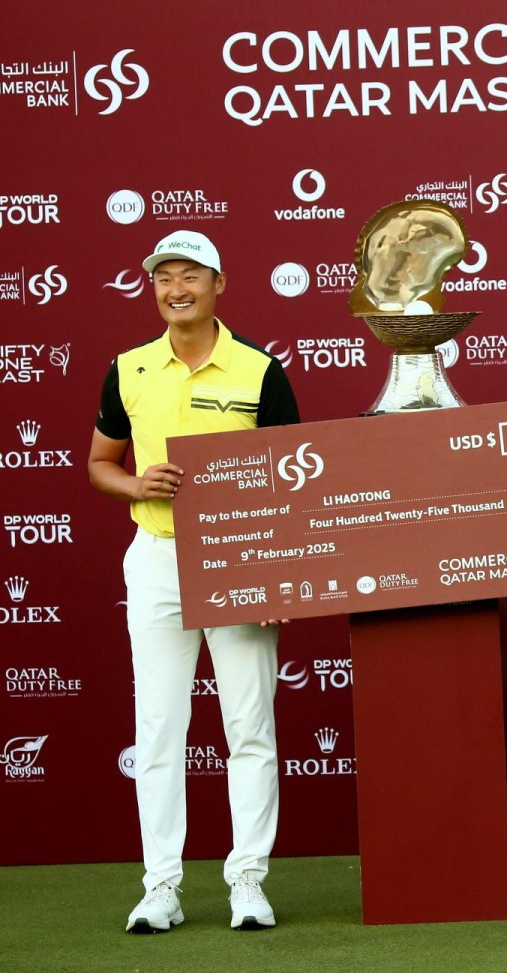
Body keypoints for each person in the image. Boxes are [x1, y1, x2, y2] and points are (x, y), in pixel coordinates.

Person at [88, 230, 300, 934]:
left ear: (219, 283)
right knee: (158, 730)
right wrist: (135, 482)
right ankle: (161, 887)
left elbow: (287, 481)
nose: (174, 289)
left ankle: (247, 881)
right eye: (163, 278)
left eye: (190, 276)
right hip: (155, 556)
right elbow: (99, 463)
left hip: (240, 559)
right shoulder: (128, 368)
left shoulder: (259, 370)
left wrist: (276, 576)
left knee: (249, 726)